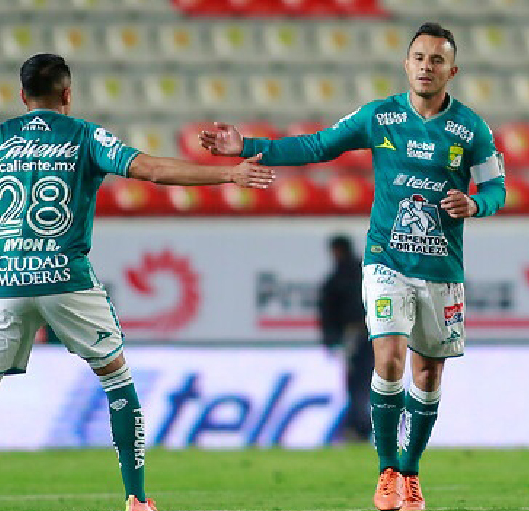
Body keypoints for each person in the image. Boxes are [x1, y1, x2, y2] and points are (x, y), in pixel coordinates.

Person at [0, 53, 273, 511]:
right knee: (118, 383)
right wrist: (230, 174)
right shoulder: (84, 136)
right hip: (67, 280)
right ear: (67, 93)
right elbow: (153, 171)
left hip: (5, 283)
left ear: (22, 97)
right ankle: (136, 500)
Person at [199, 22, 505, 511]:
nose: (426, 67)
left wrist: (476, 204)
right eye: (419, 58)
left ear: (452, 70)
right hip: (387, 262)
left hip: (442, 271)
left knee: (427, 377)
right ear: (407, 65)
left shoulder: (471, 129)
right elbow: (319, 145)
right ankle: (386, 471)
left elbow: (497, 188)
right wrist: (250, 145)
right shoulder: (380, 117)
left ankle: (410, 471)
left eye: (437, 60)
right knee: (388, 359)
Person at [318, 234, 373, 442]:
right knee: (369, 381)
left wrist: (330, 340)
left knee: (354, 383)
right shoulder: (368, 273)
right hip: (376, 334)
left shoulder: (336, 279)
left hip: (353, 336)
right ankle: (364, 425)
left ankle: (358, 427)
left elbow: (328, 313)